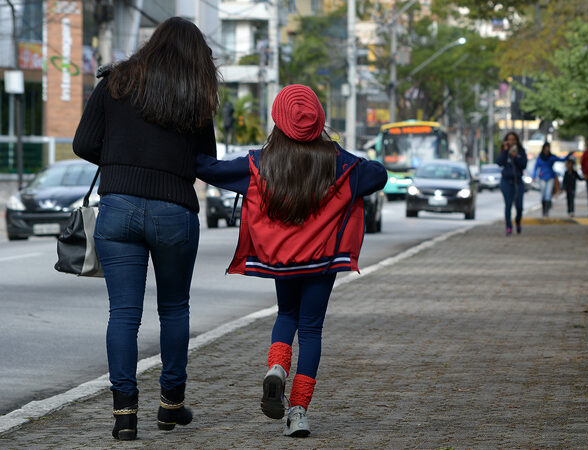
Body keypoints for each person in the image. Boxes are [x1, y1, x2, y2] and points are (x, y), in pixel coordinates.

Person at [196, 84, 387, 437]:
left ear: (278, 120)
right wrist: (336, 149)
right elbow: (378, 174)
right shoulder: (341, 164)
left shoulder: (259, 163)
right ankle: (298, 411)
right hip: (322, 262)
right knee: (311, 329)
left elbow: (211, 169)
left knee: (286, 315)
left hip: (281, 261)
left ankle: (277, 370)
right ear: (319, 120)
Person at [72, 17, 218, 440]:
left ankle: (124, 416)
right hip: (174, 212)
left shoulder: (116, 82)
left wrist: (121, 158)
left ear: (153, 44)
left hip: (117, 209)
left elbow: (83, 143)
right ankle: (171, 406)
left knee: (123, 315)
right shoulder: (195, 95)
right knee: (173, 310)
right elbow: (203, 160)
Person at [496, 132, 528, 235]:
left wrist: (516, 157)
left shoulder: (521, 151)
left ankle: (518, 221)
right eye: (509, 139)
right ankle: (508, 227)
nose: (511, 141)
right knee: (508, 205)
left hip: (518, 181)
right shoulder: (504, 151)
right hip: (506, 181)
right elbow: (499, 162)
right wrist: (506, 151)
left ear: (516, 141)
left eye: (513, 139)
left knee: (519, 206)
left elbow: (523, 165)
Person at [532, 142, 571, 217]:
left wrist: (569, 155)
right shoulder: (540, 157)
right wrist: (534, 176)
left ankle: (546, 211)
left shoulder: (552, 157)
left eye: (548, 147)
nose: (547, 149)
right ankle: (543, 210)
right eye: (546, 147)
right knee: (543, 194)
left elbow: (562, 159)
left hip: (550, 177)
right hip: (542, 177)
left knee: (548, 194)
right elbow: (536, 167)